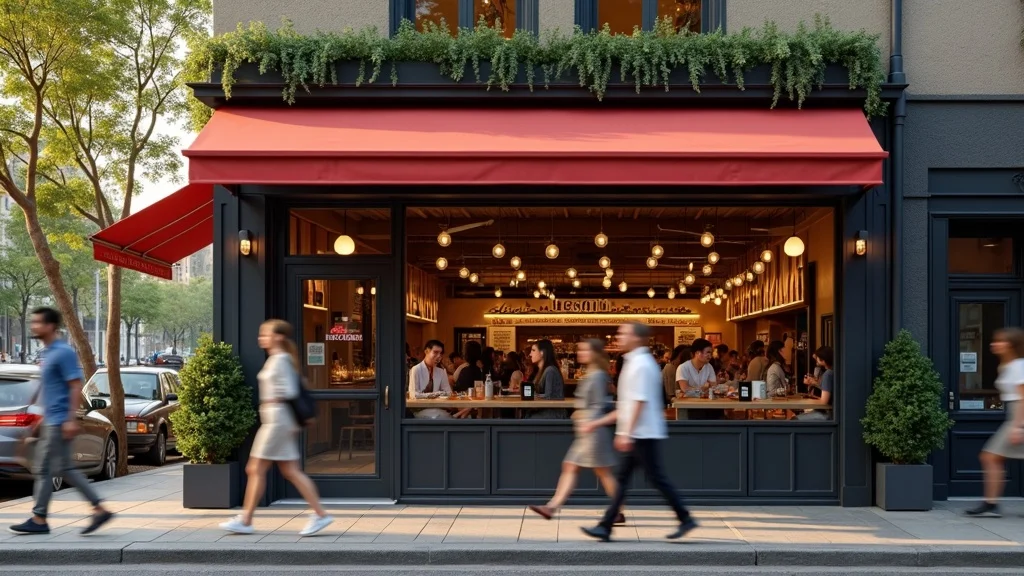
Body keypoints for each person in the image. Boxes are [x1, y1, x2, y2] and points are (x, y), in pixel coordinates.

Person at [582, 322, 697, 542]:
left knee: (654, 479)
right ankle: (606, 525)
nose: (618, 336)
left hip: (643, 433)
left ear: (636, 337)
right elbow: (627, 404)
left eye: (623, 333)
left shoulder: (642, 364)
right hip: (639, 432)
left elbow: (639, 402)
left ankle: (684, 518)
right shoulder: (635, 362)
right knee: (628, 478)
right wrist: (598, 423)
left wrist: (625, 433)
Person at [220, 319, 333, 536]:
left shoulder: (280, 360)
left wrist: (273, 399)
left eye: (266, 333)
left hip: (277, 420)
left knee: (255, 469)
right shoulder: (278, 359)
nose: (261, 337)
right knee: (290, 471)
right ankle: (320, 514)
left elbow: (290, 390)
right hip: (278, 420)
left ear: (278, 337)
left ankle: (246, 520)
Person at [9, 308, 114, 536]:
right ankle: (98, 508)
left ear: (50, 326)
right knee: (64, 469)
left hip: (58, 422)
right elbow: (50, 392)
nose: (33, 326)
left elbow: (75, 385)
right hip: (50, 421)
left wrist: (69, 420)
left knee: (46, 469)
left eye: (37, 322)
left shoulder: (64, 352)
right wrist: (37, 424)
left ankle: (39, 519)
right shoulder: (47, 353)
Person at [528, 339, 624, 524]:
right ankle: (552, 507)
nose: (579, 351)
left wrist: (585, 419)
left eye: (584, 349)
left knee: (598, 472)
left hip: (592, 432)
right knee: (578, 468)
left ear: (593, 353)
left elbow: (598, 405)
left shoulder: (596, 376)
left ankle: (552, 507)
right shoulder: (594, 374)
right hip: (589, 432)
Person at [966, 328, 1024, 518]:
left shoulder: (1018, 366)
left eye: (1000, 341)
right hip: (1014, 413)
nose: (994, 344)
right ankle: (990, 503)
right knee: (992, 457)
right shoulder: (1006, 366)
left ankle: (991, 503)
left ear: (1011, 345)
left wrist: (1018, 426)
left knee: (990, 456)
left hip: (1019, 415)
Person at [409, 340, 453, 420]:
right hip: (420, 410)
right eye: (435, 352)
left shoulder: (441, 372)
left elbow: (449, 393)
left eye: (441, 353)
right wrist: (437, 394)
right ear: (426, 351)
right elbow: (414, 395)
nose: (439, 356)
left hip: (438, 409)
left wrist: (433, 396)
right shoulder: (416, 369)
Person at [528, 339, 567, 419]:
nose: (530, 354)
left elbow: (549, 398)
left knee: (526, 420)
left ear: (542, 353)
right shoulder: (542, 371)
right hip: (547, 412)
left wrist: (534, 396)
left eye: (533, 350)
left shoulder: (550, 370)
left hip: (552, 414)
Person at [798, 346, 834, 421]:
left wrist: (808, 402)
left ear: (823, 359)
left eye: (817, 357)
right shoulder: (832, 371)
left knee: (795, 419)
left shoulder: (828, 374)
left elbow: (824, 402)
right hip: (832, 413)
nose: (816, 360)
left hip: (827, 414)